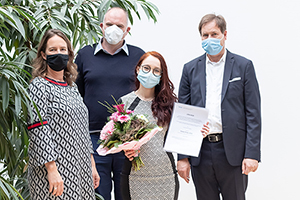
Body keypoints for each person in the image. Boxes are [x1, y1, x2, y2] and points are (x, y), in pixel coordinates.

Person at [177, 14, 261, 200]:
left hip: (233, 152)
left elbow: (253, 114)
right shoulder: (189, 69)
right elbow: (183, 114)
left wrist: (252, 154)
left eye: (214, 34)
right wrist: (182, 157)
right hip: (201, 152)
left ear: (225, 34)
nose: (209, 39)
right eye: (205, 35)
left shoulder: (243, 66)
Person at [75, 7, 145, 200]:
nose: (113, 28)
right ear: (101, 26)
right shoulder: (85, 55)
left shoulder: (139, 56)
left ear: (127, 30)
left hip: (128, 141)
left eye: (119, 25)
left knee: (127, 194)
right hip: (93, 140)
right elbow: (75, 95)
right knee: (98, 194)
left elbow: (146, 92)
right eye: (109, 24)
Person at [119, 51, 210, 200]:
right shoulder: (124, 103)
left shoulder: (170, 105)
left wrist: (199, 132)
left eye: (156, 71)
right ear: (138, 69)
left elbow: (183, 135)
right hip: (134, 176)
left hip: (165, 175)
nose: (150, 73)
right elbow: (118, 140)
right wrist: (125, 149)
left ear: (161, 75)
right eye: (146, 68)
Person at [27, 29, 100, 199]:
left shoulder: (72, 87)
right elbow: (37, 129)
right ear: (44, 55)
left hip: (80, 168)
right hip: (54, 171)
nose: (58, 53)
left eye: (62, 49)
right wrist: (52, 170)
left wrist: (92, 165)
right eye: (53, 50)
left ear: (69, 53)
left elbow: (82, 128)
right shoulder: (39, 86)